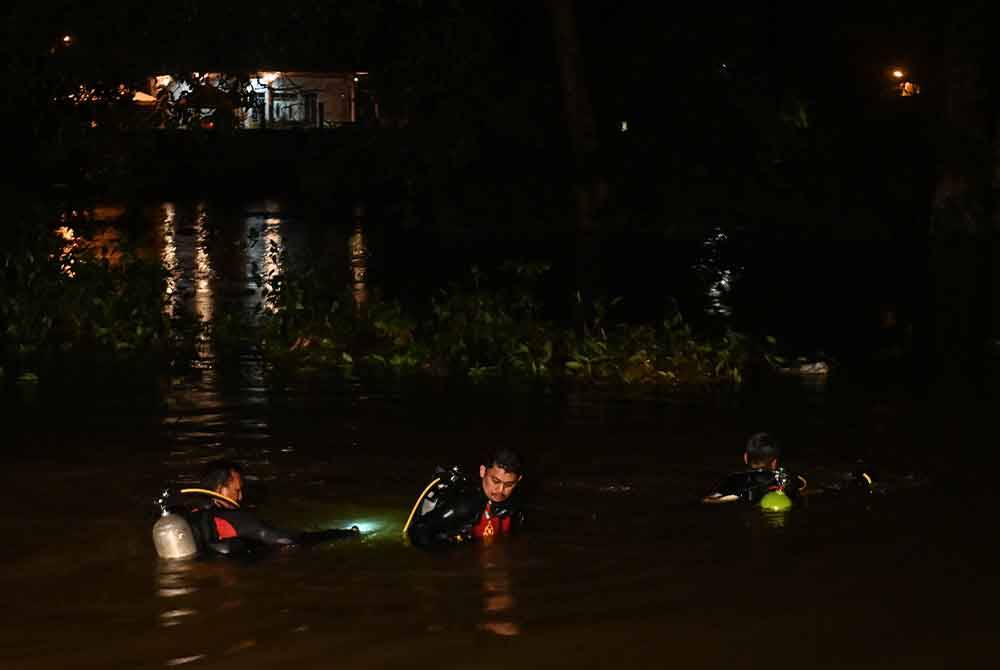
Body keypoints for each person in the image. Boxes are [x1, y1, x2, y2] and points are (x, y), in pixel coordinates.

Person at [173, 460, 359, 556]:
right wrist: (339, 534)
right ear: (221, 489)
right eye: (237, 490)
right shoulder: (234, 517)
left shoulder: (190, 512)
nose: (241, 497)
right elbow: (284, 539)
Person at [405, 448, 525, 547]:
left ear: (518, 480)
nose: (500, 490)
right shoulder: (464, 504)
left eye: (509, 484)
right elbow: (417, 531)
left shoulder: (514, 504)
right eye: (495, 481)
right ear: (483, 471)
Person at [702, 432, 805, 504]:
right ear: (774, 462)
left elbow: (709, 500)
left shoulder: (733, 480)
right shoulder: (784, 479)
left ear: (745, 458)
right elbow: (802, 486)